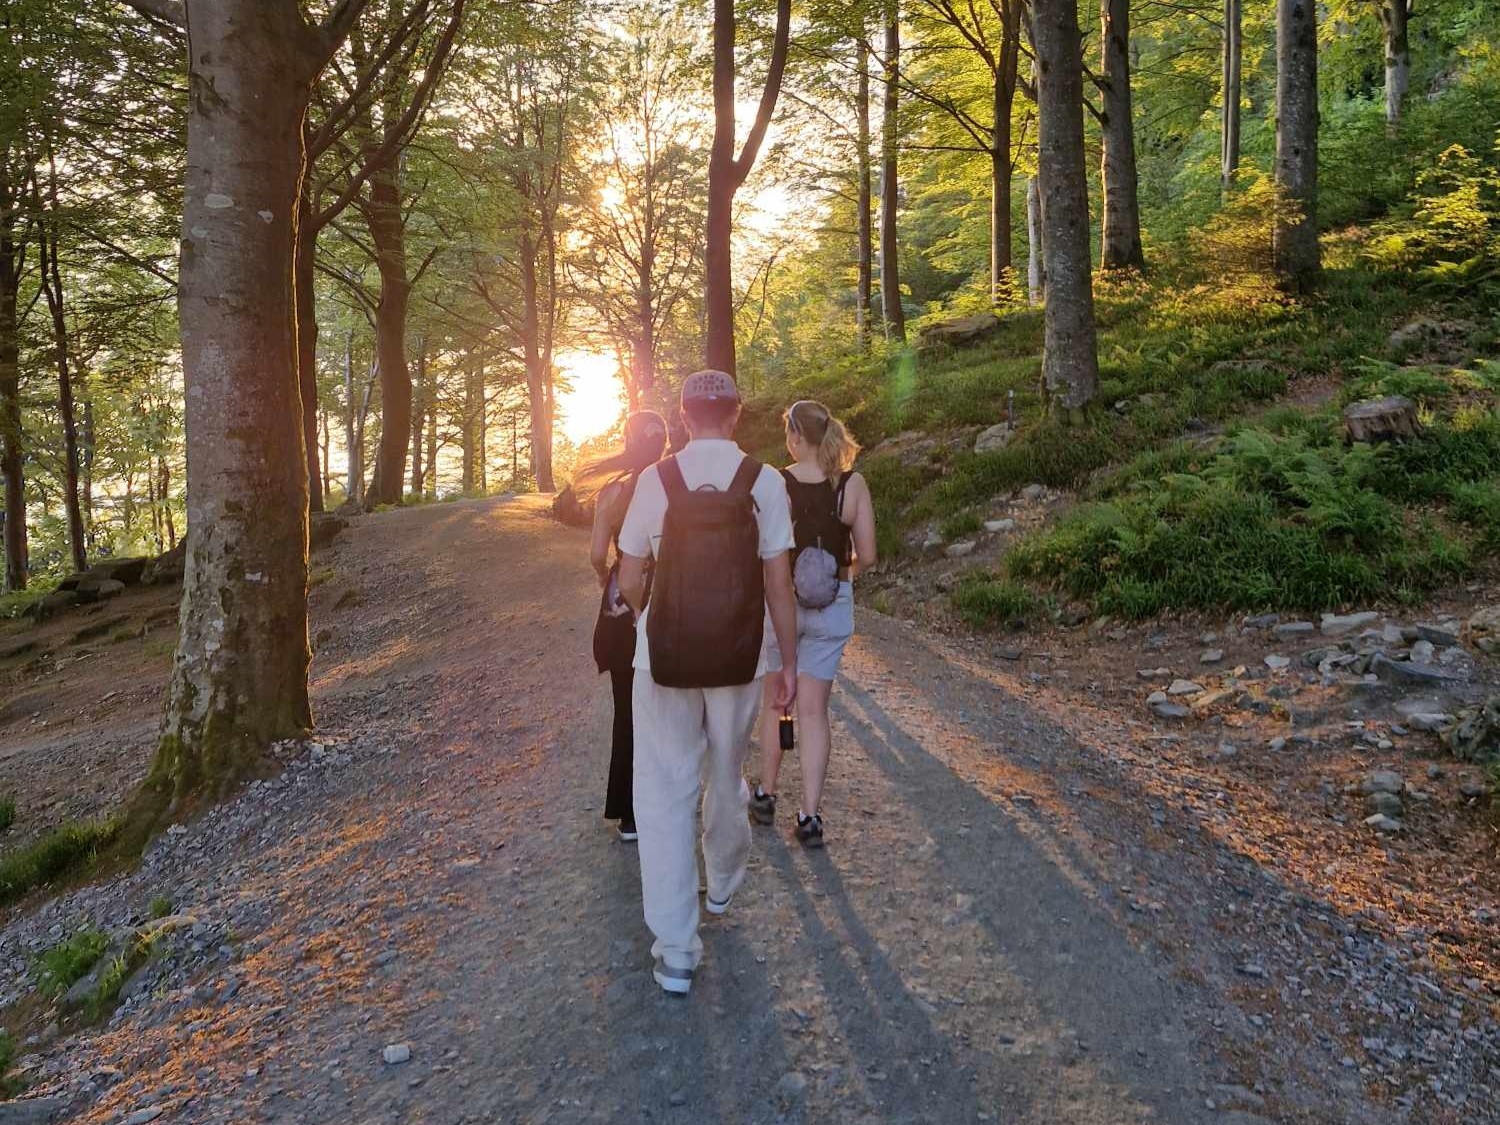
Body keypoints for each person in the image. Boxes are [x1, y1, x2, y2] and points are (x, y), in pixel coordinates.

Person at [616, 370, 799, 996]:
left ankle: (675, 950)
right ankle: (721, 880)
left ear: (686, 415)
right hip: (740, 655)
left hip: (662, 658)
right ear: (737, 413)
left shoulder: (656, 479)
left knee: (663, 788)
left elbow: (631, 568)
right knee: (725, 773)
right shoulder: (764, 481)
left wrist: (645, 619)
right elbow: (779, 583)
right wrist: (789, 663)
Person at [750, 399, 876, 848]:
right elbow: (870, 554)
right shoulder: (852, 484)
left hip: (781, 605)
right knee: (813, 711)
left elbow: (763, 550)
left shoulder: (776, 483)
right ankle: (809, 817)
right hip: (832, 606)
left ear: (794, 436)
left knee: (775, 702)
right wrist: (838, 578)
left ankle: (765, 794)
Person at [581, 411, 670, 841]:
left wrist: (606, 576)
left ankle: (630, 813)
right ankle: (667, 803)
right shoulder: (674, 485)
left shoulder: (612, 494)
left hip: (621, 607)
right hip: (669, 602)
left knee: (626, 707)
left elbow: (598, 554)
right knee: (670, 707)